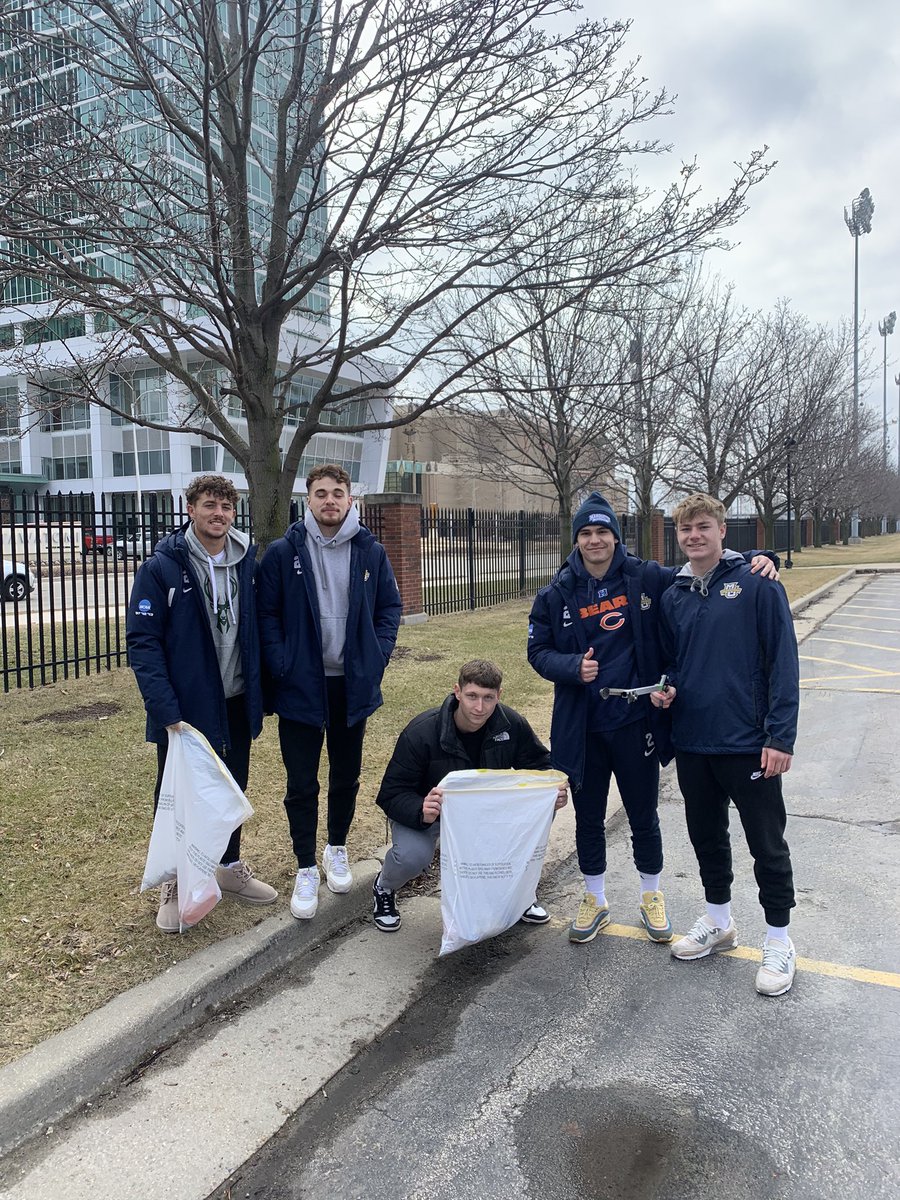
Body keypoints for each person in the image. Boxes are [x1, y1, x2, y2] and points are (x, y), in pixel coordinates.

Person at [527, 492, 778, 947]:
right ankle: (595, 898)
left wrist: (760, 556)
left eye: (603, 531)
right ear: (576, 539)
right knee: (587, 816)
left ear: (616, 537)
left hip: (635, 720)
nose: (595, 540)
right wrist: (570, 668)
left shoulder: (645, 578)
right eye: (586, 532)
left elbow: (706, 564)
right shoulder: (556, 592)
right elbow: (537, 651)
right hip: (582, 725)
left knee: (643, 814)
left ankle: (651, 895)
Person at [651, 493, 800, 996]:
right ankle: (719, 921)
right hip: (695, 741)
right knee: (706, 837)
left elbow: (783, 663)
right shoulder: (674, 594)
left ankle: (779, 940)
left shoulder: (758, 583)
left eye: (703, 527)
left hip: (749, 743)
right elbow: (674, 660)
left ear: (722, 531)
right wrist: (666, 688)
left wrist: (780, 736)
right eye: (685, 529)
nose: (694, 536)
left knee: (766, 844)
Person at [127, 474, 277, 933]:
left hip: (235, 699)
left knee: (232, 787)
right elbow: (143, 643)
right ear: (190, 509)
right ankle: (175, 880)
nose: (219, 514)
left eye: (226, 507)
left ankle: (229, 867)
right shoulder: (163, 567)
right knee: (178, 794)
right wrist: (165, 708)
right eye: (209, 505)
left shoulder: (247, 561)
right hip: (185, 709)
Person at [258, 464, 401, 921]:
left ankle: (335, 847)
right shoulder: (284, 552)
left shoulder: (370, 551)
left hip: (351, 685)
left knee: (346, 775)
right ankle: (305, 866)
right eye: (321, 493)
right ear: (308, 499)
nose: (329, 501)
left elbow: (389, 607)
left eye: (338, 493)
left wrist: (375, 656)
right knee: (301, 782)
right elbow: (267, 615)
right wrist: (283, 664)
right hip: (301, 685)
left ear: (350, 500)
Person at [372, 659, 568, 932]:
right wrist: (421, 809)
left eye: (488, 698)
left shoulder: (510, 725)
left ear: (499, 696)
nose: (479, 707)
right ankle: (384, 887)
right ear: (457, 691)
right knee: (412, 857)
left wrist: (552, 792)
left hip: (484, 815)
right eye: (472, 696)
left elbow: (541, 766)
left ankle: (520, 897)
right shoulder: (422, 732)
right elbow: (390, 793)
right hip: (432, 814)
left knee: (530, 824)